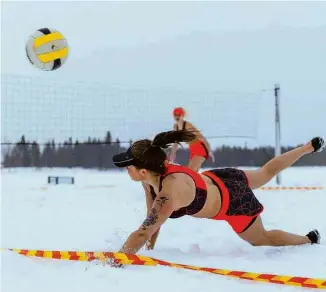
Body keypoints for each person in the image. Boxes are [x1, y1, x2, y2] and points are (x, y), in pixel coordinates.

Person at [112, 130, 324, 257]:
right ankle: (307, 148)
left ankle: (307, 240)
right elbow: (152, 223)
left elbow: (143, 231)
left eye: (127, 166)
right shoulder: (151, 177)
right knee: (265, 172)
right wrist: (147, 251)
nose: (125, 169)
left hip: (233, 202)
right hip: (218, 178)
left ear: (141, 171)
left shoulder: (169, 190)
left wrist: (116, 261)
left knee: (261, 238)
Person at [169, 107, 214, 171]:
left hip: (200, 148)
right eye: (175, 115)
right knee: (191, 173)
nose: (177, 117)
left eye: (179, 115)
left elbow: (202, 137)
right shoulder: (176, 127)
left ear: (182, 116)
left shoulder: (187, 125)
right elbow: (176, 143)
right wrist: (172, 155)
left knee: (191, 172)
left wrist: (209, 151)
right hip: (192, 149)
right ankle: (202, 180)